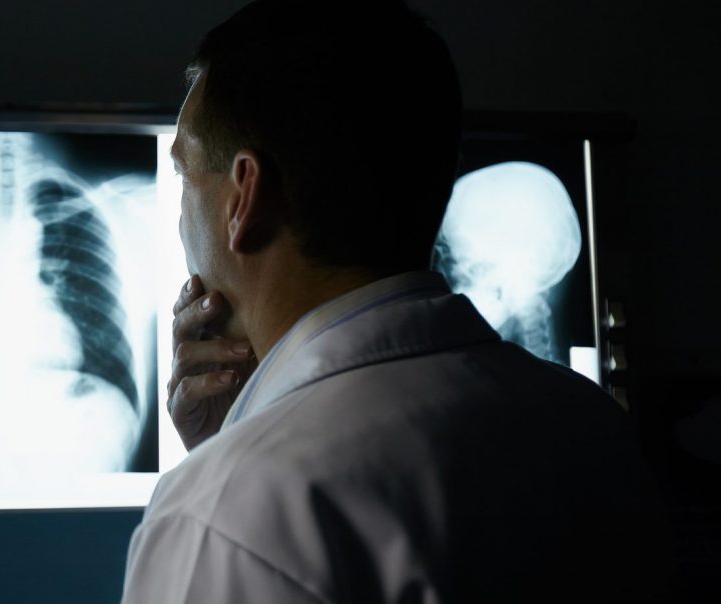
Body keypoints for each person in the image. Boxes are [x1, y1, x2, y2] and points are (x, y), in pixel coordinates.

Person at [121, 1, 672, 602]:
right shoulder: (595, 426)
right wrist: (241, 434)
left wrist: (224, 473)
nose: (179, 219)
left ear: (242, 198)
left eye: (185, 175)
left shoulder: (226, 520)